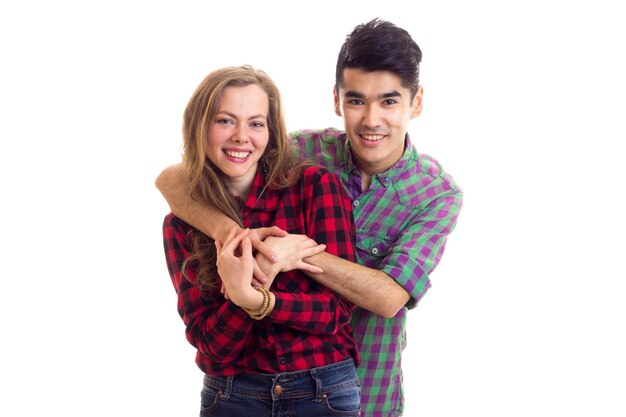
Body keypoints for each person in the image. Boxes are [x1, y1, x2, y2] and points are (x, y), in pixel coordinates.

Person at [157, 19, 463, 417]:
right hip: (247, 384)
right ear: (337, 101)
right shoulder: (301, 153)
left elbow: (389, 298)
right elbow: (175, 178)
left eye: (389, 101)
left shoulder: (436, 193)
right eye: (356, 100)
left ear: (415, 103)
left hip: (364, 386)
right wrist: (231, 234)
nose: (371, 119)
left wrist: (285, 255)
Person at [162, 65, 362, 416]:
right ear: (199, 127)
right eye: (225, 120)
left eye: (256, 123)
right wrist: (244, 298)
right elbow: (211, 344)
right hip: (233, 394)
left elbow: (337, 313)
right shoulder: (181, 224)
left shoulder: (314, 188)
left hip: (323, 389)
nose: (242, 136)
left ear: (270, 132)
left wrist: (258, 299)